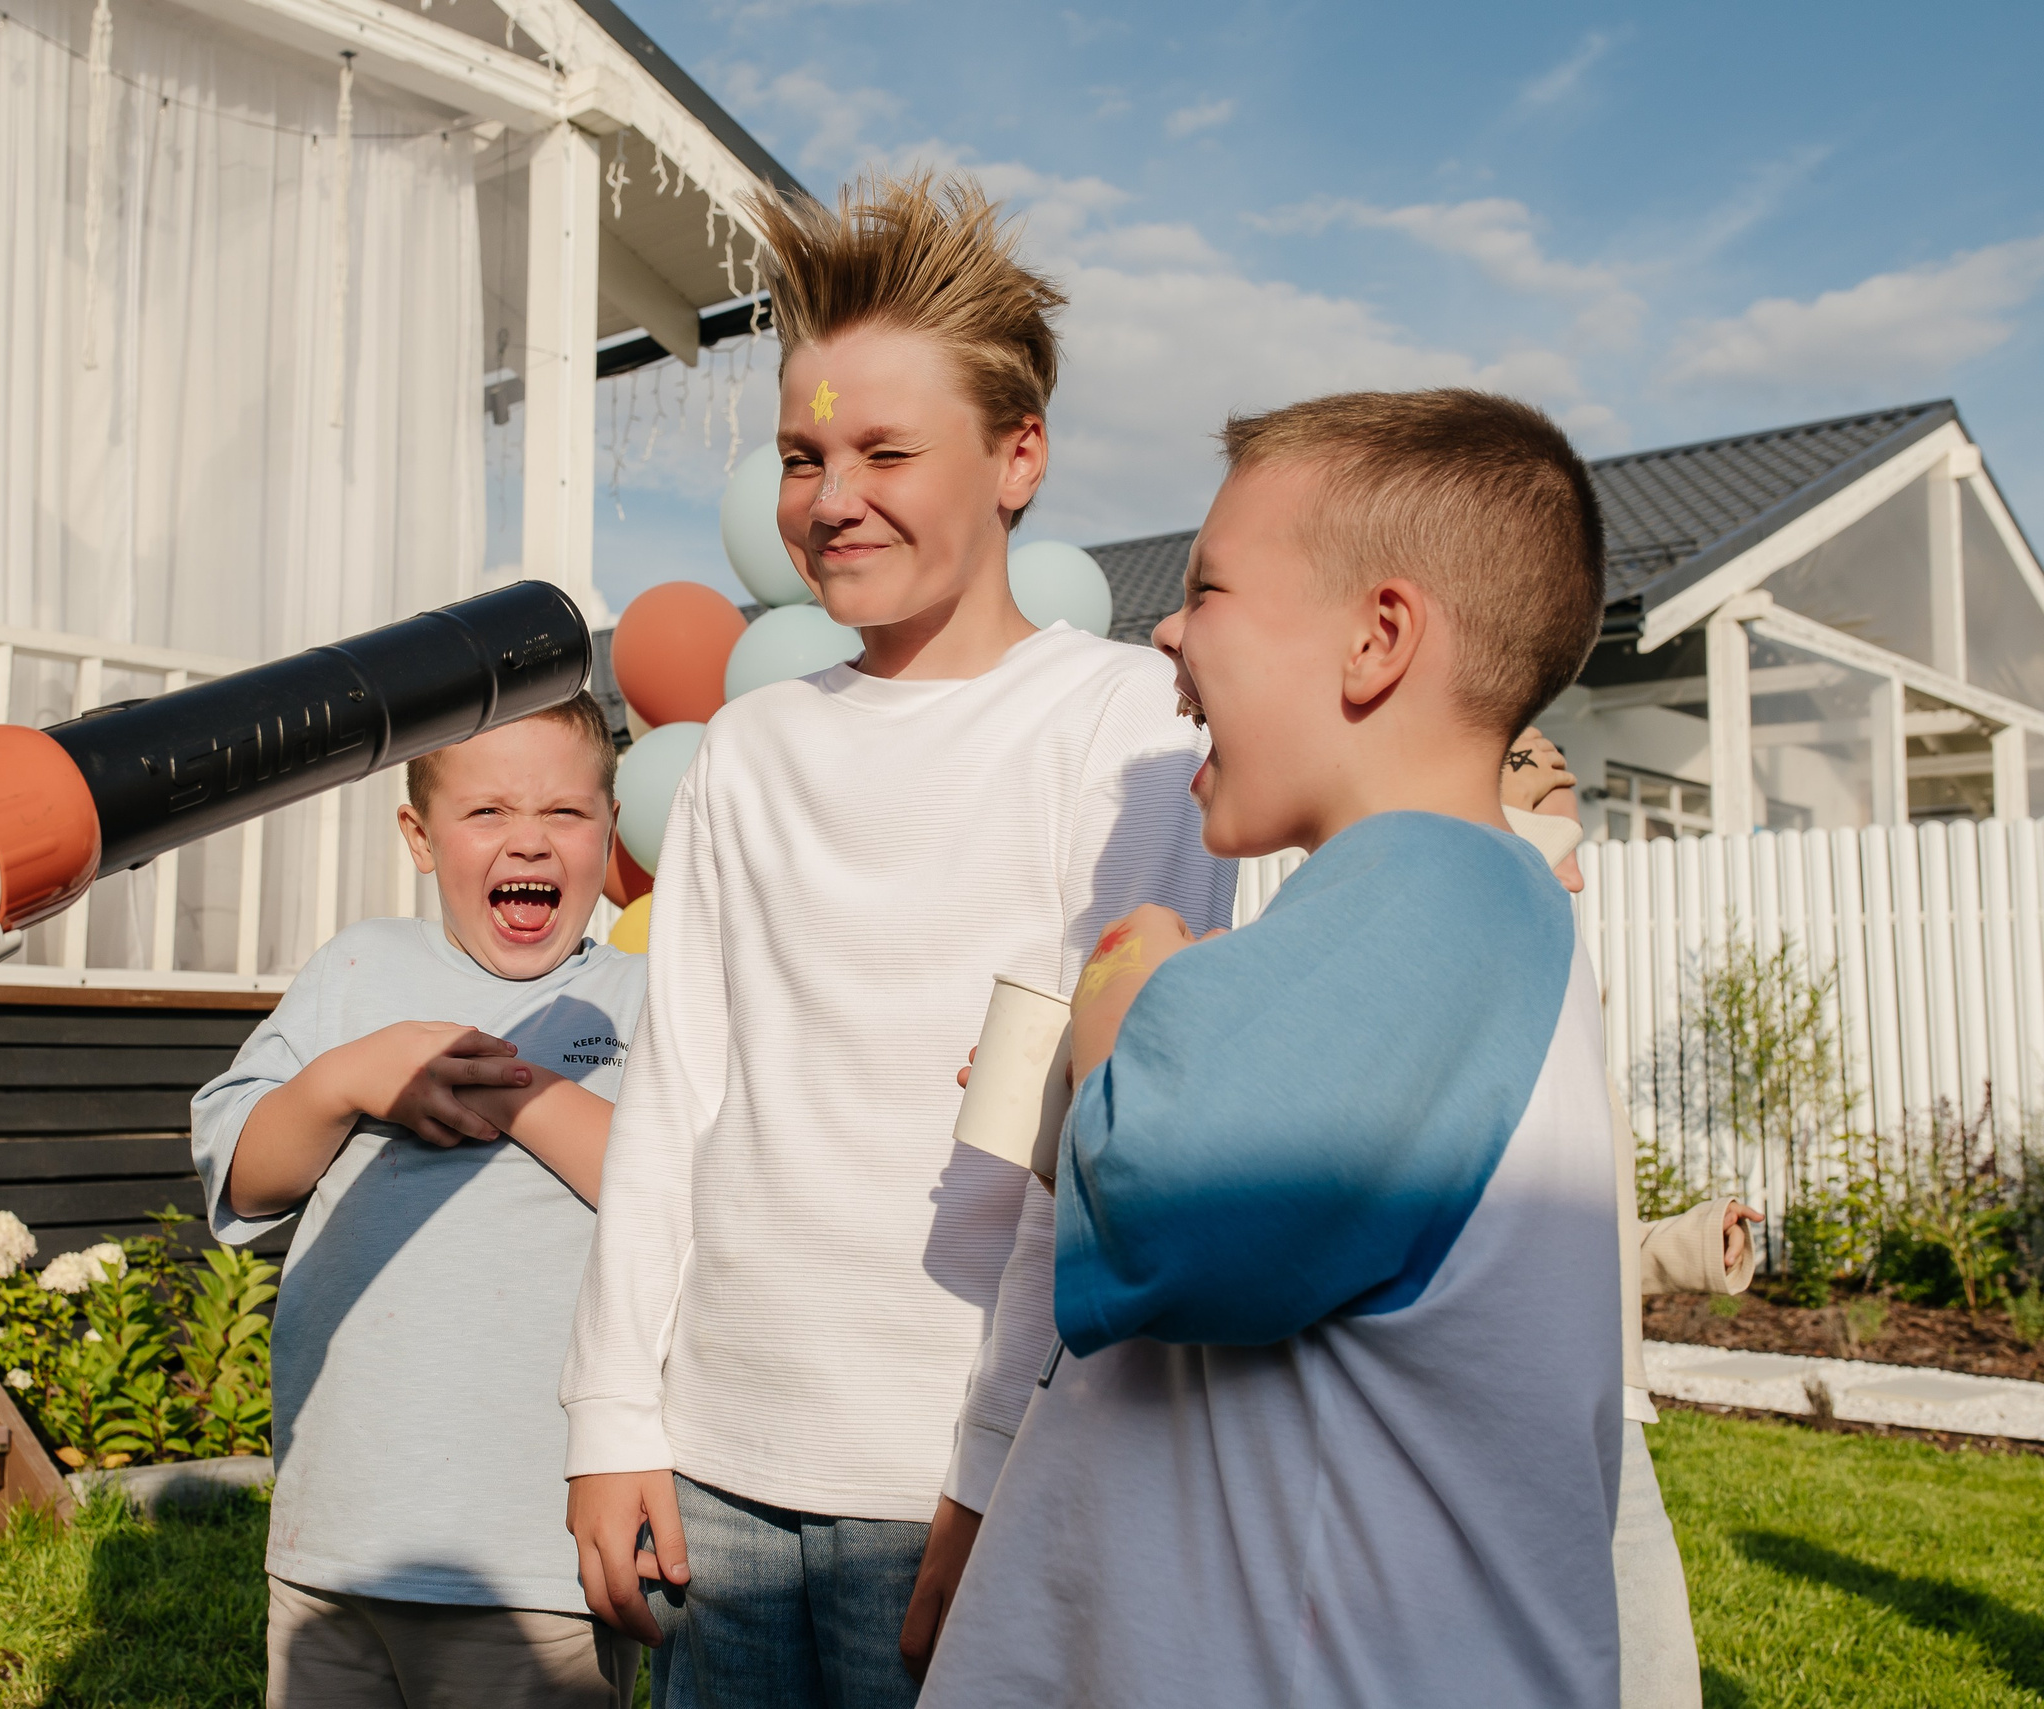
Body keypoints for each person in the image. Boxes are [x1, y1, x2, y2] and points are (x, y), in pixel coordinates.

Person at [560, 171, 1234, 1708]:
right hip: (716, 1468)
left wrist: (991, 1471)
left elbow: (1087, 1145)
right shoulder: (746, 751)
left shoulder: (1121, 726)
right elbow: (677, 1098)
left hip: (952, 1472)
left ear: (1018, 456)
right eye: (802, 454)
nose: (831, 495)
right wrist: (614, 1413)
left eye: (883, 450)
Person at [920, 389, 1625, 1707]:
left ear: (1377, 638)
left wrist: (1129, 980)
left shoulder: (1434, 892)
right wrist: (1094, 1091)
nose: (1168, 629)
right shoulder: (1425, 921)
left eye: (1210, 588)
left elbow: (1170, 1219)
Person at [190, 693, 646, 1709]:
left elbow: (666, 1192)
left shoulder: (635, 999)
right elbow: (248, 1174)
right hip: (335, 1540)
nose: (527, 837)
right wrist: (352, 1075)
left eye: (566, 814)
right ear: (420, 836)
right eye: (486, 812)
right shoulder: (358, 969)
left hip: (535, 1555)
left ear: (609, 833)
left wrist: (516, 1088)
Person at [1501, 725, 1761, 1709]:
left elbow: (1578, 1238)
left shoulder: (1570, 1015)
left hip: (1604, 1397)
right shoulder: (1498, 1007)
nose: (1575, 879)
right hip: (1535, 1401)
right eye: (1552, 846)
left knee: (1648, 1659)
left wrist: (1694, 1241)